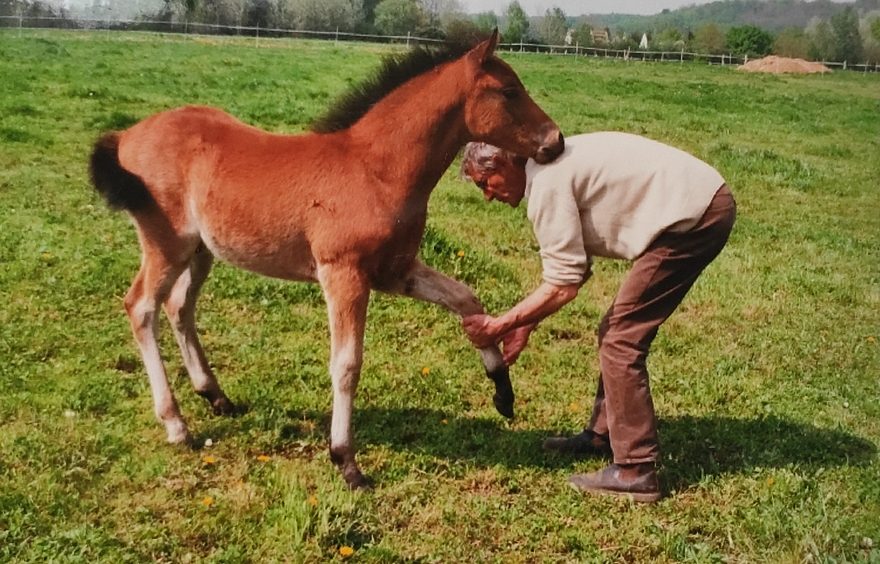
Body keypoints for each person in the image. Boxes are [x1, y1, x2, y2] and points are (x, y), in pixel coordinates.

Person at [459, 132, 736, 503]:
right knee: (615, 331)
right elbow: (574, 265)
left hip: (693, 215)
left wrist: (501, 324)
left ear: (507, 162)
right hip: (699, 201)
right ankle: (601, 436)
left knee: (621, 338)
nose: (487, 195)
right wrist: (524, 325)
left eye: (485, 183)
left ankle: (637, 470)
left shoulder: (547, 185)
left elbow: (563, 284)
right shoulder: (546, 173)